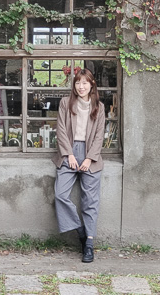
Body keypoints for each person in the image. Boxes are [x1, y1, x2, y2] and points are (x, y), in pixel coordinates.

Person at [52, 68, 105, 263]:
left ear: (91, 85)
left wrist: (90, 158)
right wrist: (70, 155)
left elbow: (99, 135)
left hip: (91, 154)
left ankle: (89, 244)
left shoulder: (99, 106)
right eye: (77, 83)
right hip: (70, 152)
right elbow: (61, 130)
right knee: (60, 194)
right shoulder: (66, 103)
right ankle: (80, 230)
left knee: (90, 201)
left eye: (84, 83)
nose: (80, 86)